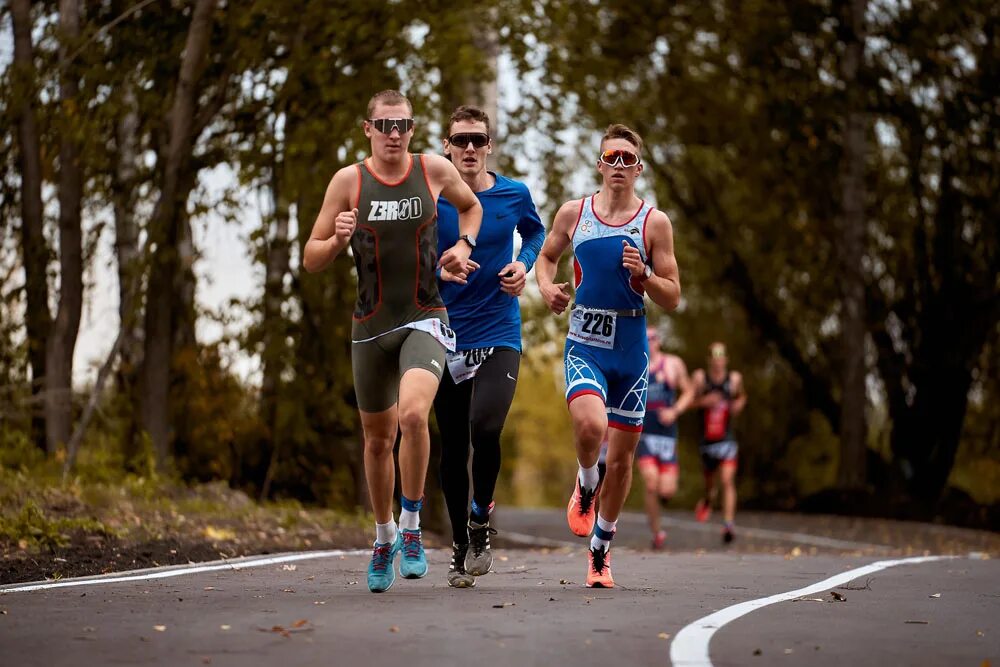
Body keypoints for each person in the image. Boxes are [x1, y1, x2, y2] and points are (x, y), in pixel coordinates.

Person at [303, 90, 482, 593]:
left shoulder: (434, 170)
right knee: (378, 440)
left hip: (425, 315)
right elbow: (310, 258)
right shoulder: (348, 182)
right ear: (368, 129)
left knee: (412, 416)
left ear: (413, 129)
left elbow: (472, 210)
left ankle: (410, 527)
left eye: (402, 125)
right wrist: (336, 240)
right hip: (370, 327)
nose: (393, 134)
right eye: (384, 125)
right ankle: (382, 538)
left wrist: (462, 245)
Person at [535, 123, 681, 588]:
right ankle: (585, 480)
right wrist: (546, 288)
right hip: (586, 342)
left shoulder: (653, 223)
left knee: (621, 461)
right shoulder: (574, 213)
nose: (618, 165)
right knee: (590, 427)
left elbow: (674, 295)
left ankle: (600, 549)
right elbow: (546, 257)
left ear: (638, 168)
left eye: (627, 159)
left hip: (631, 349)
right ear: (599, 164)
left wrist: (645, 278)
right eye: (611, 157)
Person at [432, 105, 545, 588]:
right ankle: (460, 544)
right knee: (453, 445)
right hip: (443, 332)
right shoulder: (432, 196)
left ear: (490, 145)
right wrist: (436, 270)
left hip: (499, 329)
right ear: (447, 147)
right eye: (461, 141)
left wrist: (525, 265)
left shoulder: (513, 194)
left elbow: (536, 232)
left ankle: (481, 518)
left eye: (478, 140)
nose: (470, 149)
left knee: (486, 425)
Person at [638, 326, 694, 549]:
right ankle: (657, 532)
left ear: (659, 341)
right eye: (646, 339)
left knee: (666, 490)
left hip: (667, 438)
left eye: (653, 339)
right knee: (651, 484)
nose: (650, 342)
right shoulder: (636, 363)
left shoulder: (673, 364)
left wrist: (675, 411)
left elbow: (689, 391)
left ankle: (659, 502)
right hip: (644, 435)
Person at [690, 342, 747, 544]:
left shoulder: (734, 379)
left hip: (727, 440)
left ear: (726, 359)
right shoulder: (700, 379)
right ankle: (707, 500)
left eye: (721, 354)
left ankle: (728, 524)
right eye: (714, 355)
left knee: (727, 480)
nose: (718, 359)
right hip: (707, 441)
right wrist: (704, 402)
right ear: (709, 359)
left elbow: (741, 398)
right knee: (710, 486)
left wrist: (736, 407)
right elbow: (687, 401)